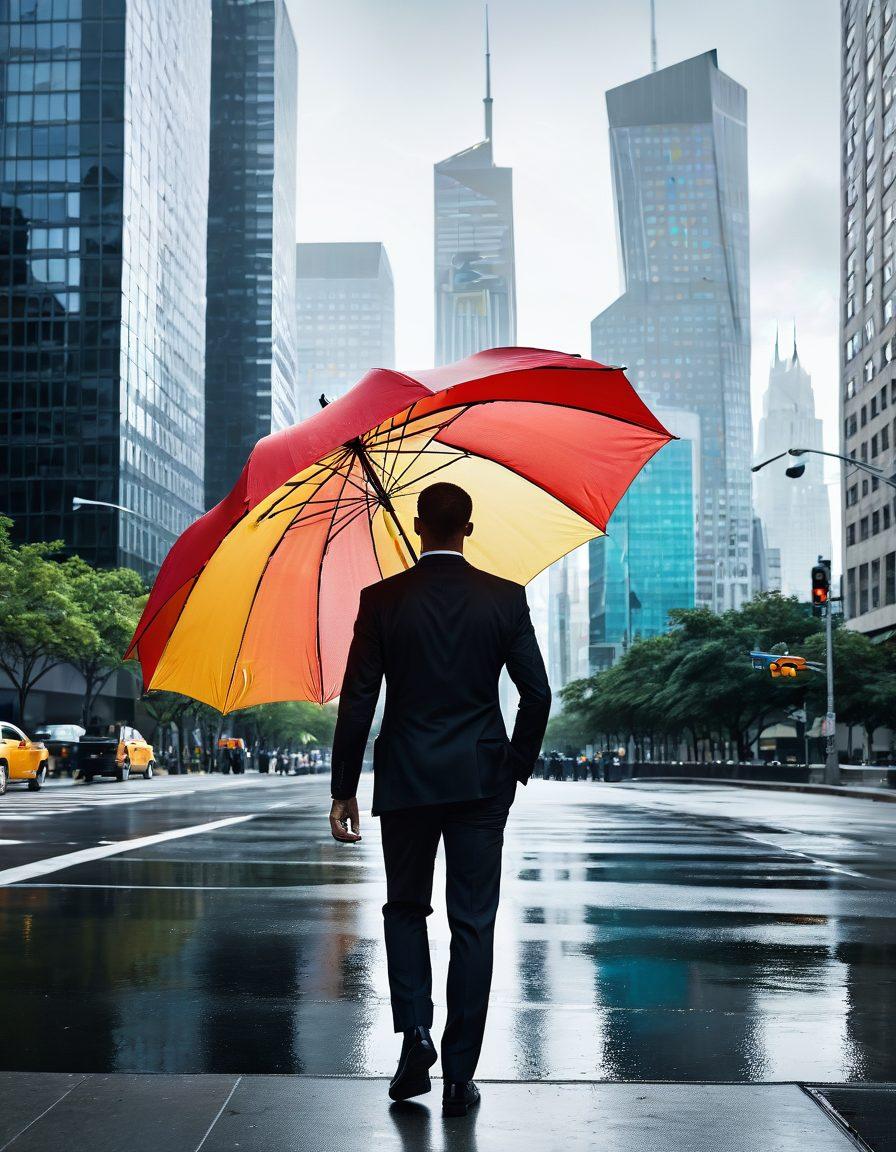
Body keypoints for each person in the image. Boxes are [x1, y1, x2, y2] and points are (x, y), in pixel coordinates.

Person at [329, 482, 551, 1117]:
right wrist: (514, 768)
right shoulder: (504, 599)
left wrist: (344, 787)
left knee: (404, 910)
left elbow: (358, 701)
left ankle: (415, 1036)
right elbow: (537, 695)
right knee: (472, 922)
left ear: (419, 526)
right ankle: (459, 1075)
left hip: (406, 778)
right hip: (482, 780)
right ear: (469, 528)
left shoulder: (381, 600)